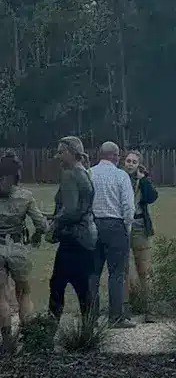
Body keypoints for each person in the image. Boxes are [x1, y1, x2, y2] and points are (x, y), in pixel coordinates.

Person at [47, 136, 99, 323]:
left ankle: (49, 329)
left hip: (72, 238)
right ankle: (89, 329)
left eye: (61, 152)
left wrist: (54, 223)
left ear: (72, 153)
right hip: (88, 237)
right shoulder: (85, 172)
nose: (58, 157)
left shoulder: (69, 174)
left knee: (57, 285)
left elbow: (70, 211)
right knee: (84, 286)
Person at [0, 152, 47, 352]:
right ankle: (28, 338)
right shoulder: (25, 196)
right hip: (18, 248)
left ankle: (6, 341)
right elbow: (41, 224)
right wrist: (37, 236)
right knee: (24, 293)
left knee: (1, 296)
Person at [90, 141, 136, 328]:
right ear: (116, 156)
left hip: (93, 225)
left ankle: (91, 317)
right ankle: (115, 317)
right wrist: (127, 226)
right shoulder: (121, 176)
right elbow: (128, 205)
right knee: (116, 273)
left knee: (92, 273)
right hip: (115, 225)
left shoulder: (89, 173)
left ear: (100, 155)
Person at [123, 149, 158, 318]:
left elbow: (152, 197)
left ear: (138, 165)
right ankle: (125, 308)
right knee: (123, 270)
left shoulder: (143, 180)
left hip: (138, 225)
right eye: (128, 161)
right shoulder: (120, 177)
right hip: (122, 225)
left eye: (134, 162)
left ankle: (149, 308)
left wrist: (143, 179)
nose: (130, 164)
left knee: (143, 269)